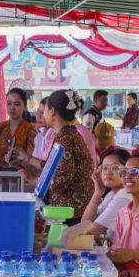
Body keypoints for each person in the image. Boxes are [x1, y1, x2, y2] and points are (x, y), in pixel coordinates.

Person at [41, 90, 95, 221]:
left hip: (70, 211)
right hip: (74, 208)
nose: (43, 114)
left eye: (44, 110)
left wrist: (40, 184)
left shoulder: (65, 138)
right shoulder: (68, 134)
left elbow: (63, 178)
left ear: (52, 111)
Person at [64, 148, 132, 244]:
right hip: (115, 252)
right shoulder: (111, 194)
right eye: (104, 168)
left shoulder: (125, 195)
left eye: (115, 168)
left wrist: (103, 243)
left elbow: (89, 233)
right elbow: (84, 225)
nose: (108, 172)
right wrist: (97, 195)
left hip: (128, 257)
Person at [0, 88, 36, 170]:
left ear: (24, 106)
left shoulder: (31, 129)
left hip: (23, 178)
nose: (12, 108)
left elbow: (31, 159)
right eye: (9, 103)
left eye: (17, 104)